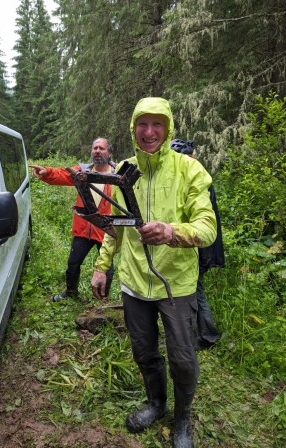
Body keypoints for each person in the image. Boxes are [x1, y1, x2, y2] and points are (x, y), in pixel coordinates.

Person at [91, 98, 217, 448]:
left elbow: (208, 228)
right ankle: (156, 404)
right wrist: (102, 267)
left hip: (175, 285)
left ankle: (182, 419)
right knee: (144, 351)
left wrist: (172, 232)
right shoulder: (125, 170)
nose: (149, 132)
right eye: (142, 124)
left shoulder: (188, 169)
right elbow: (114, 226)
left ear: (168, 128)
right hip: (133, 283)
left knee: (183, 358)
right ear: (133, 129)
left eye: (157, 124)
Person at [29, 137, 116, 302]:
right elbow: (62, 174)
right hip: (84, 227)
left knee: (107, 267)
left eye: (102, 148)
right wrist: (47, 171)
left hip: (105, 229)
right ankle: (71, 292)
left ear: (109, 153)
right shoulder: (82, 172)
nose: (97, 151)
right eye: (95, 148)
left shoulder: (117, 175)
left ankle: (104, 298)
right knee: (73, 262)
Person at [170, 139, 225, 350]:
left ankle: (206, 336)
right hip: (202, 247)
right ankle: (203, 335)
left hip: (200, 248)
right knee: (195, 293)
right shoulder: (197, 175)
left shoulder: (196, 177)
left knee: (195, 294)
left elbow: (204, 222)